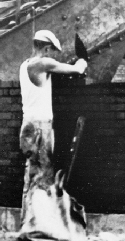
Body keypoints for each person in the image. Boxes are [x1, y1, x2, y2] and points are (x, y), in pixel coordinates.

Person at [19, 30, 87, 217]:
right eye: (51, 50)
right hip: (41, 126)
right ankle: (37, 224)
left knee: (31, 175)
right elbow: (77, 70)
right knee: (43, 176)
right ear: (46, 47)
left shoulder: (24, 65)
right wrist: (83, 59)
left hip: (28, 125)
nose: (51, 54)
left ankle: (27, 221)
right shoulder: (43, 63)